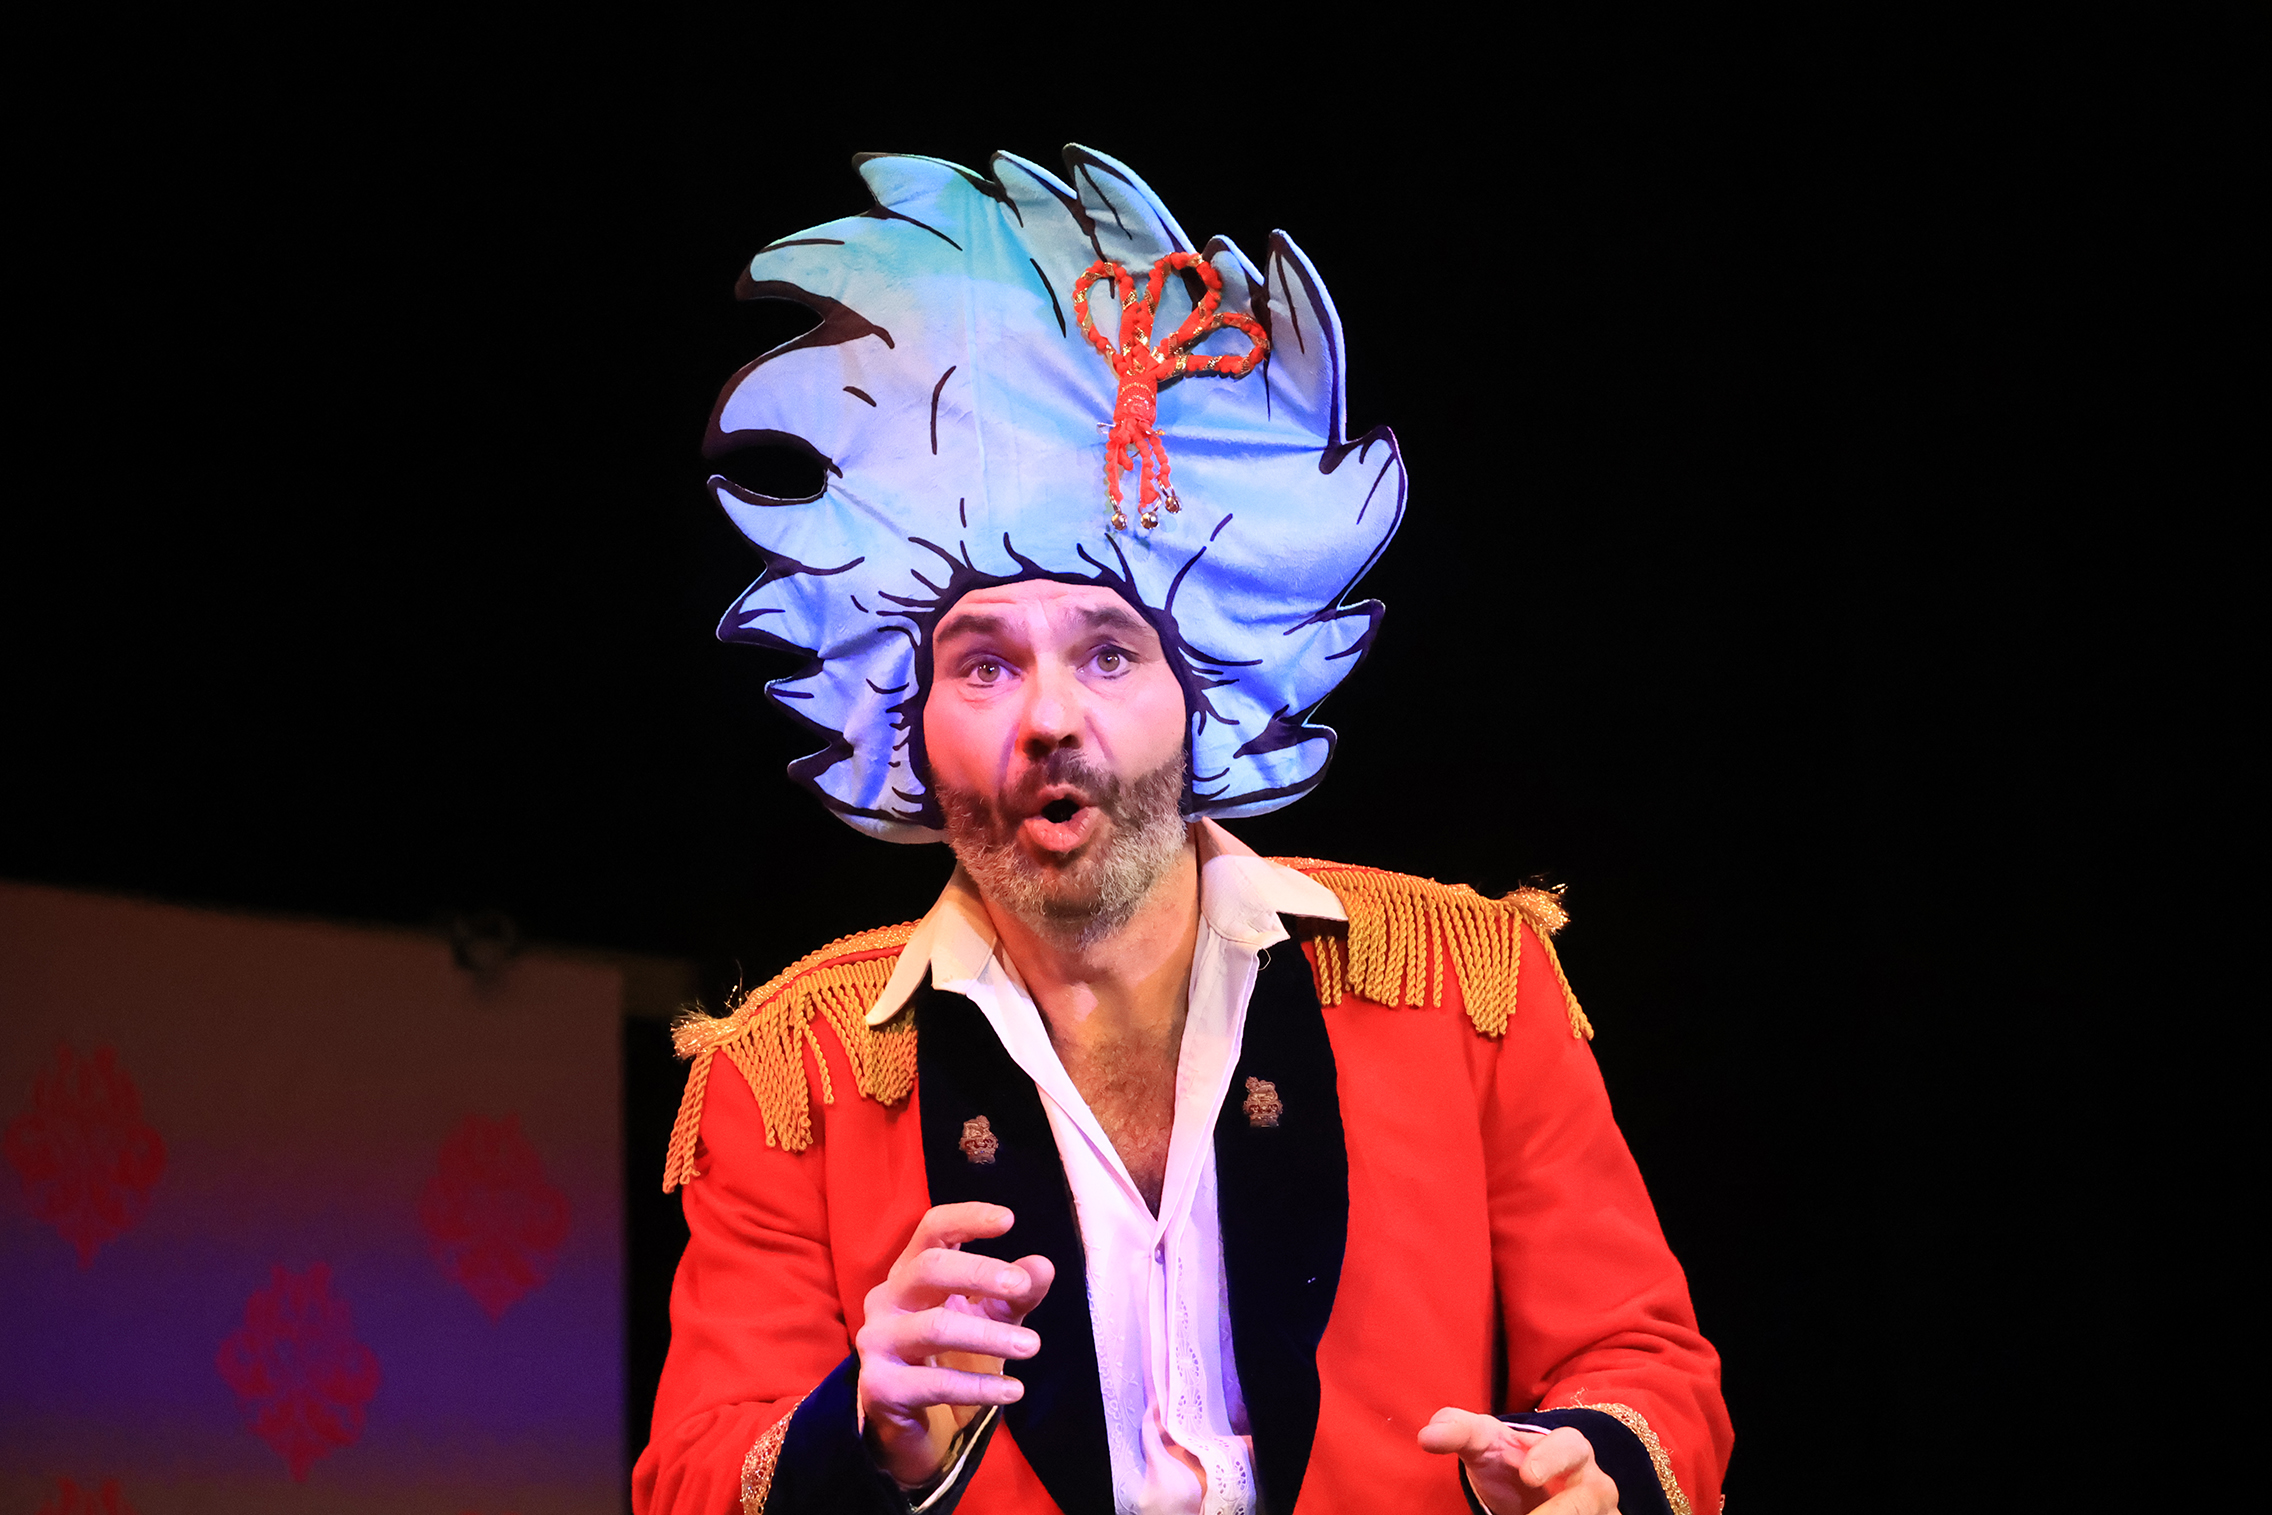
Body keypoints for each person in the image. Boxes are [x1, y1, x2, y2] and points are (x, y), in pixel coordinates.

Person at [633, 145, 1731, 1515]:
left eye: (1107, 653)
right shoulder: (789, 1082)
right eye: (983, 664)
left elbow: (1642, 1361)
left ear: (1200, 693)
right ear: (906, 721)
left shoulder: (1467, 994)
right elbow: (690, 1472)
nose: (1049, 718)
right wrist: (864, 1436)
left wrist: (1594, 1470)